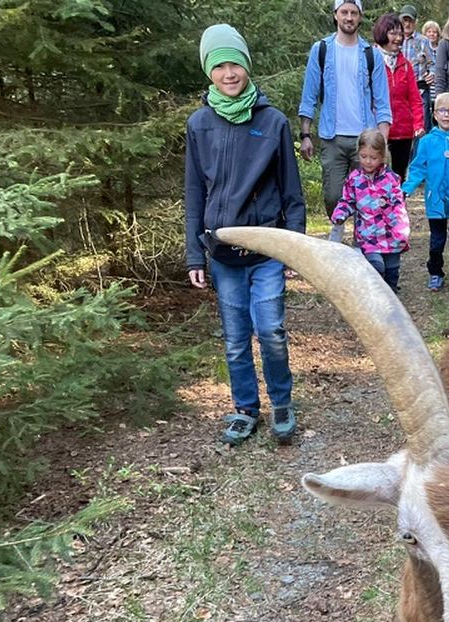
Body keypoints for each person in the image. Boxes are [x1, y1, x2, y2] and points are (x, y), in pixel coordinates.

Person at [186, 24, 305, 446]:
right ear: (209, 72)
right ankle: (244, 409)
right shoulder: (199, 124)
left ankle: (282, 403)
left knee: (270, 330)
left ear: (247, 66)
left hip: (267, 247)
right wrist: (194, 255)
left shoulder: (272, 122)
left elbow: (292, 191)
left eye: (234, 63)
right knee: (236, 338)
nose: (229, 73)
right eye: (219, 66)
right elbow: (195, 191)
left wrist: (295, 249)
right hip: (221, 253)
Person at [297, 0, 392, 239]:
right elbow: (309, 95)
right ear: (336, 15)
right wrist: (306, 135)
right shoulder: (321, 50)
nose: (349, 17)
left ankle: (362, 241)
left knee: (366, 195)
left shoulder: (371, 55)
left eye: (354, 13)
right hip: (332, 136)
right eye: (344, 12)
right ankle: (338, 226)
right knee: (332, 194)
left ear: (360, 17)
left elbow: (382, 103)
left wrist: (383, 142)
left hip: (365, 138)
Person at [402, 92, 449, 293]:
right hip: (435, 200)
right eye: (442, 110)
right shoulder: (427, 141)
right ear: (435, 114)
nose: (446, 115)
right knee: (436, 240)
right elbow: (418, 167)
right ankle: (435, 272)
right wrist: (407, 188)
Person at [330, 128, 410, 290]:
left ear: (382, 156)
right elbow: (347, 200)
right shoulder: (354, 179)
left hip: (390, 234)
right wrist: (340, 213)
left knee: (391, 269)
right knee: (376, 266)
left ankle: (391, 296)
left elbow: (398, 206)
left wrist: (401, 230)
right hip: (368, 235)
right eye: (363, 157)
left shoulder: (391, 179)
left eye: (373, 158)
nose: (367, 161)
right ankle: (375, 294)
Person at [374, 12, 424, 180]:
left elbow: (415, 98)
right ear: (382, 33)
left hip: (403, 132)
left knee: (398, 177)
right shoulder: (370, 60)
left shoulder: (406, 65)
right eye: (393, 33)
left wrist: (418, 124)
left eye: (400, 34)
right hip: (377, 130)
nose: (398, 38)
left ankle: (398, 206)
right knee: (375, 175)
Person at [399, 5, 436, 132]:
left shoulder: (423, 41)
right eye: (404, 20)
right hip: (400, 92)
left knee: (422, 127)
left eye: (410, 20)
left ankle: (421, 151)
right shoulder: (395, 40)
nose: (407, 24)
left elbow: (433, 63)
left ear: (415, 22)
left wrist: (432, 74)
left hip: (420, 90)